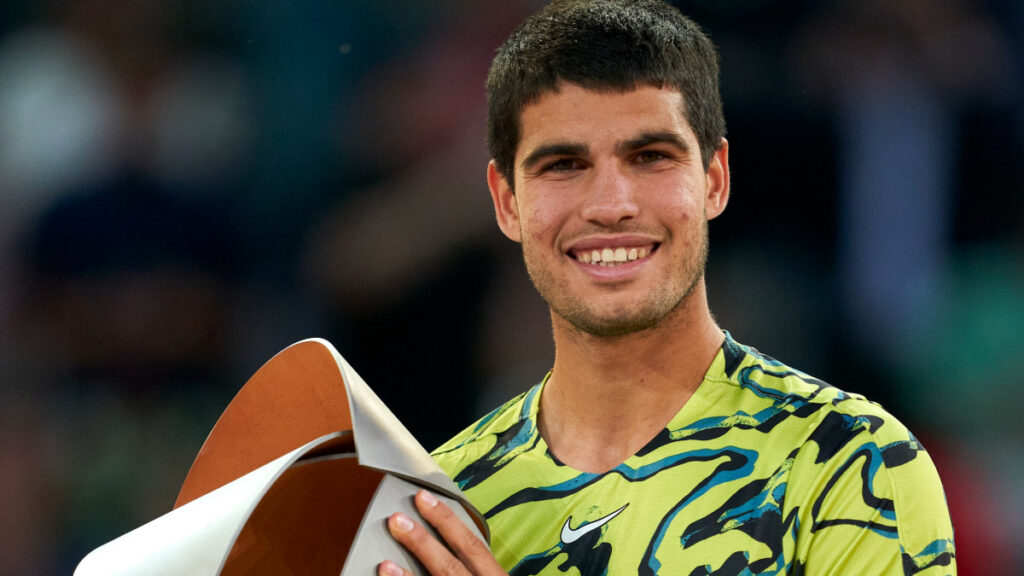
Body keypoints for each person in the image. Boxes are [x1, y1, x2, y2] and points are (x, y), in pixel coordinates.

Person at [377, 1, 957, 574]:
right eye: (562, 165)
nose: (610, 206)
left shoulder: (853, 461)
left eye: (650, 157)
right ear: (507, 202)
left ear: (714, 180)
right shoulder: (441, 502)